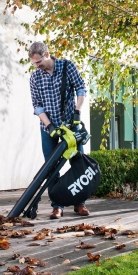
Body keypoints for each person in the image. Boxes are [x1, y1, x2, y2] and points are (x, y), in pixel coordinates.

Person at [28, 41, 90, 219]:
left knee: (78, 162)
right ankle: (57, 206)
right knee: (51, 167)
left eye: (38, 61)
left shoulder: (66, 66)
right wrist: (49, 126)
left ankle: (80, 204)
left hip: (70, 125)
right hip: (48, 128)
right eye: (34, 63)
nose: (37, 66)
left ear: (46, 54)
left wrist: (77, 112)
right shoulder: (35, 77)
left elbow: (80, 88)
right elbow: (37, 106)